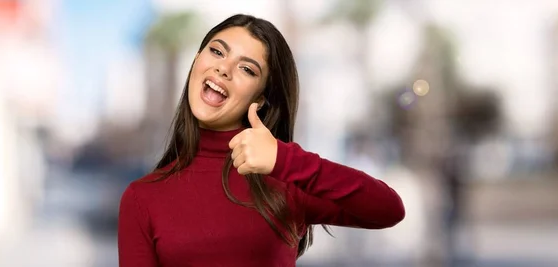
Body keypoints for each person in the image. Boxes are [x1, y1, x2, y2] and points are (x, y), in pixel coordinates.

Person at [118, 14, 405, 267]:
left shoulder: (286, 178)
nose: (223, 69)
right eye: (217, 52)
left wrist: (284, 160)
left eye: (247, 69)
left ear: (260, 97)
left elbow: (388, 209)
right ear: (196, 61)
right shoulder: (142, 198)